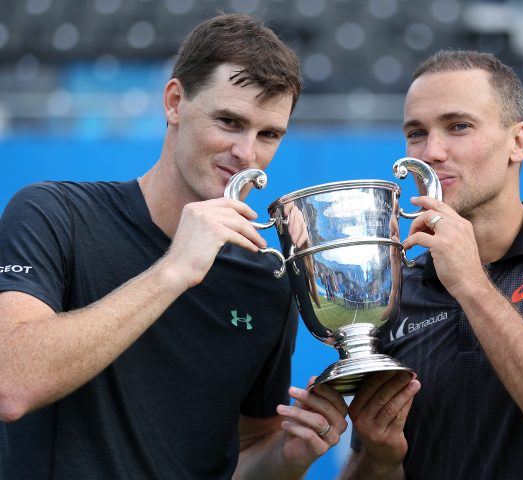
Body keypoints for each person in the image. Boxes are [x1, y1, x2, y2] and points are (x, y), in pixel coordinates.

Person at [0, 13, 348, 480]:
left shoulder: (266, 276)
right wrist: (174, 270)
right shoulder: (53, 214)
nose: (247, 154)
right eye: (229, 121)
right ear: (175, 102)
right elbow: (12, 383)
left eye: (269, 135)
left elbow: (248, 452)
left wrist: (290, 456)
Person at [339, 50, 523, 479]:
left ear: (517, 142)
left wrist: (472, 284)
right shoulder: (394, 288)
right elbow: (369, 468)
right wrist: (379, 458)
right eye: (416, 133)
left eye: (459, 126)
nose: (432, 151)